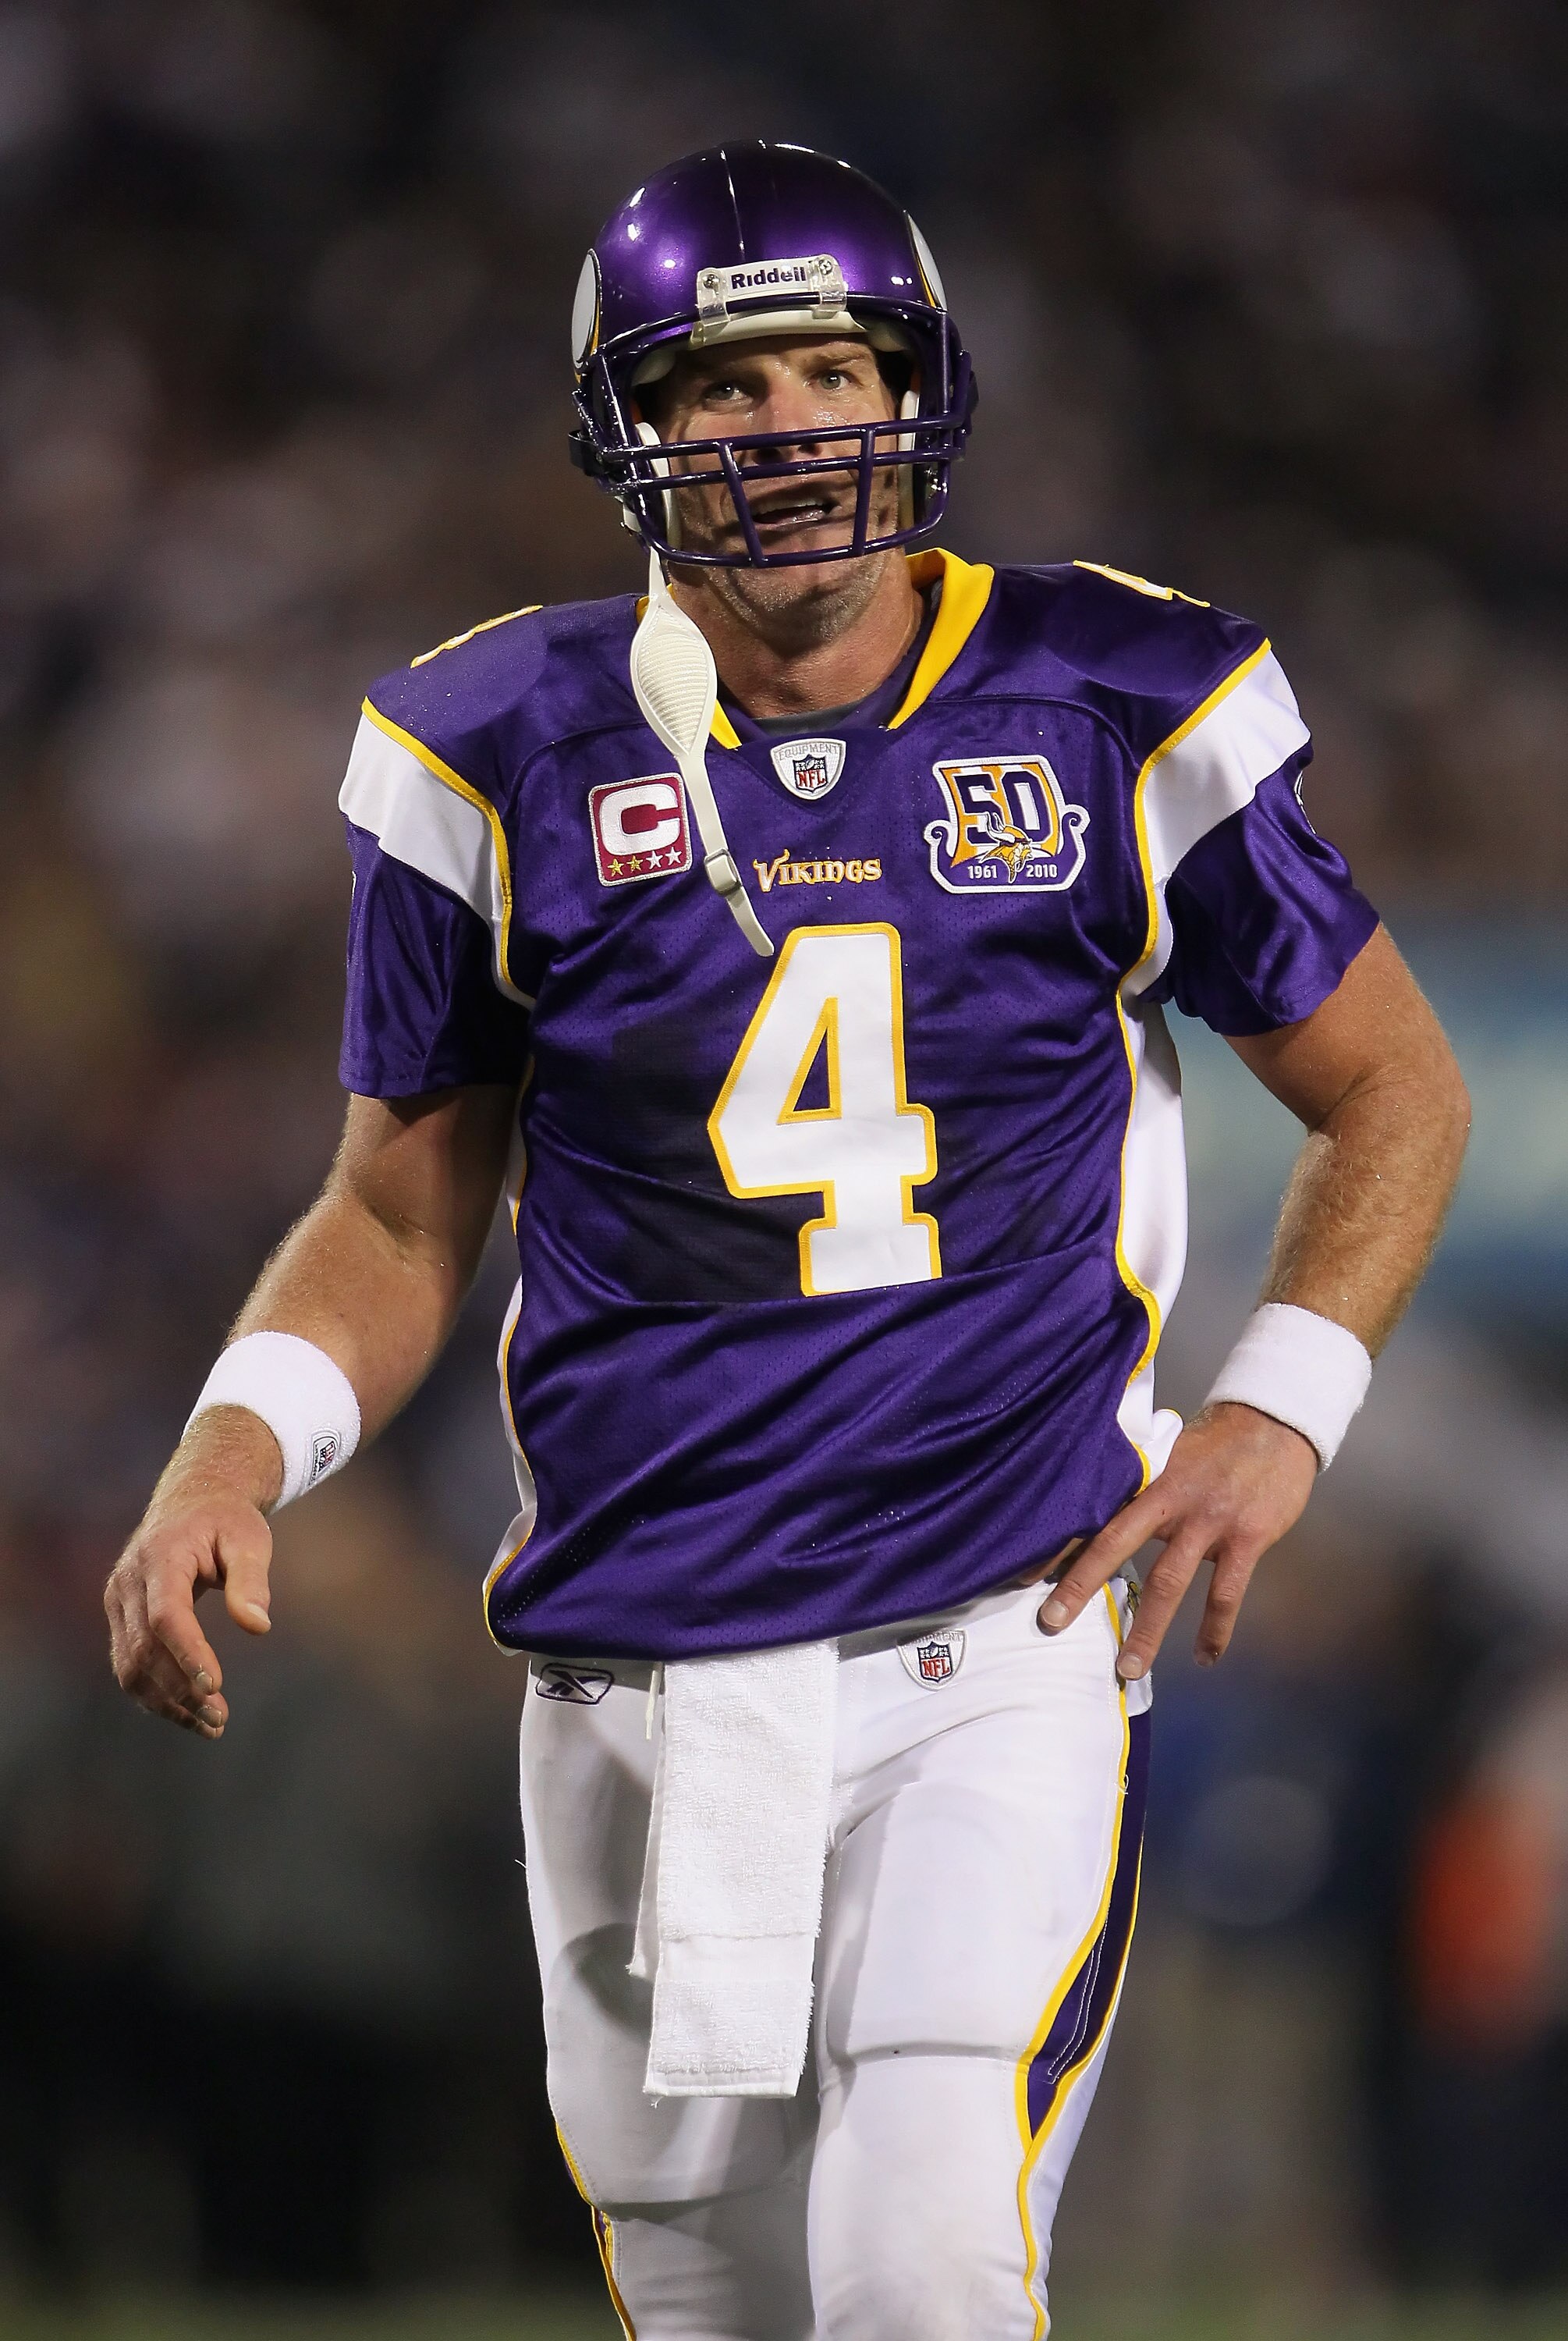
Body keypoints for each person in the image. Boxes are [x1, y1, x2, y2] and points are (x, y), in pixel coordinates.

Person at [105, 141, 1469, 2339]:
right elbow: (392, 1204)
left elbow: (1391, 1081)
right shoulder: (492, 743)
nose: (786, 431)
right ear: (628, 429)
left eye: (826, 369)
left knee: (918, 2261)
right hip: (648, 1674)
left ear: (907, 384)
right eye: (720, 389)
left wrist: (1270, 1414)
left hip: (994, 1631)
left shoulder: (1114, 696)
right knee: (722, 2298)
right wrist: (229, 1450)